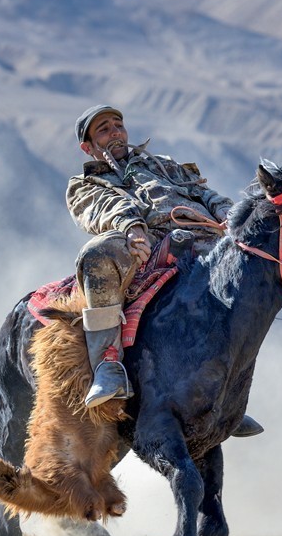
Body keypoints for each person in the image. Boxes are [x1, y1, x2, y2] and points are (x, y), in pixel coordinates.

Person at [68, 104, 264, 437]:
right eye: (104, 129)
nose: (115, 132)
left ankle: (227, 399)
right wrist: (132, 226)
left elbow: (204, 193)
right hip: (147, 241)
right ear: (87, 147)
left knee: (256, 275)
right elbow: (103, 207)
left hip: (204, 236)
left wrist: (230, 216)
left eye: (118, 125)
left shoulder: (165, 165)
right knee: (96, 256)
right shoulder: (85, 183)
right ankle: (108, 365)